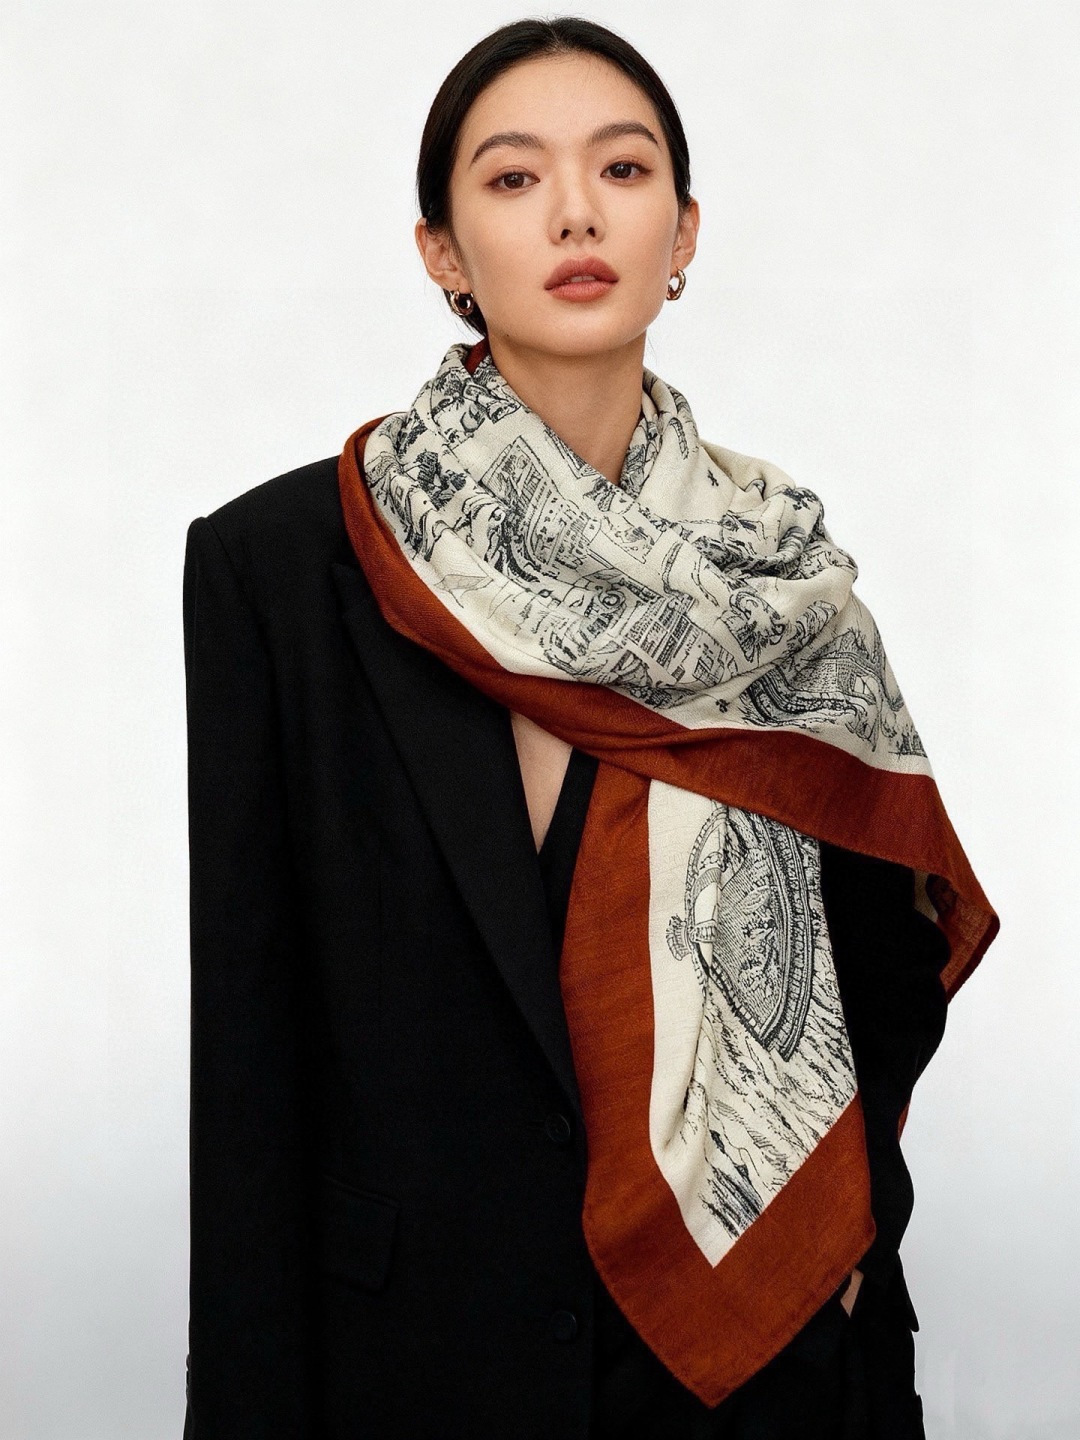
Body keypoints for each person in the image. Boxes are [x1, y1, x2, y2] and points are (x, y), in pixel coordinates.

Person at [180, 16, 998, 1439]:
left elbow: (885, 962)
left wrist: (846, 1254)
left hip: (770, 1360)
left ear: (684, 232)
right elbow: (253, 1050)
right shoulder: (283, 567)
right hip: (420, 1365)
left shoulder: (783, 587)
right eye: (513, 179)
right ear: (442, 251)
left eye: (622, 170)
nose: (574, 212)